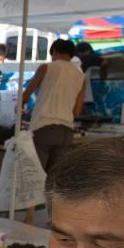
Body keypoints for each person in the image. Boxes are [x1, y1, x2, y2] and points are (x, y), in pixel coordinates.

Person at [21, 38, 86, 222]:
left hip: (43, 124)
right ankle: (54, 217)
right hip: (66, 127)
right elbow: (77, 110)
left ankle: (30, 215)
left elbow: (26, 95)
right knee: (56, 176)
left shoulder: (47, 67)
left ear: (54, 51)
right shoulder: (80, 75)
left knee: (36, 171)